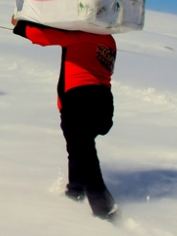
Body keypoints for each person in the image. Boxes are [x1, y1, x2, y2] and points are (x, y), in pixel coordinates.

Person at [11, 15, 119, 221]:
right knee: (78, 149)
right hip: (103, 103)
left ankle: (104, 209)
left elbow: (41, 37)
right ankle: (75, 191)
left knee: (83, 153)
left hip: (80, 99)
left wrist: (20, 24)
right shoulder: (109, 41)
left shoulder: (82, 35)